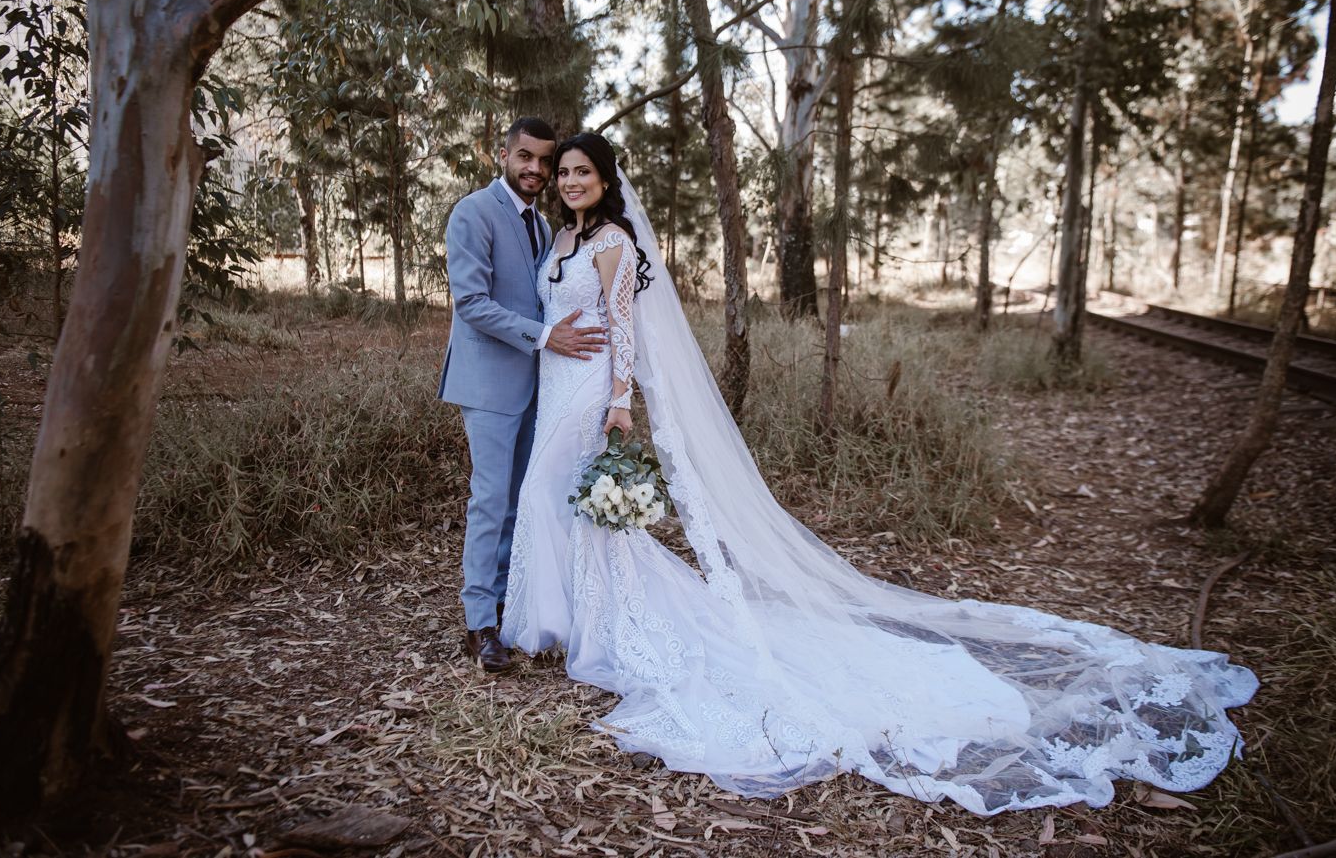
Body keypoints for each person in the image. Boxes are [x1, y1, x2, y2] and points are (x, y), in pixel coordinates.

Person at [501, 132, 1257, 815]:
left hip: (595, 392)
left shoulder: (613, 245)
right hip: (559, 383)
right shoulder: (564, 235)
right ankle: (578, 621)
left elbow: (625, 329)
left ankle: (586, 623)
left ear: (606, 180)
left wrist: (622, 402)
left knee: (553, 499)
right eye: (563, 172)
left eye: (582, 172)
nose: (569, 180)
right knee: (570, 508)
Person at [437, 117, 605, 673]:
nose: (535, 169)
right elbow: (472, 302)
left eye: (545, 161)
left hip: (543, 385)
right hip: (488, 383)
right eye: (525, 157)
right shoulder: (473, 213)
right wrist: (545, 336)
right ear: (502, 154)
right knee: (490, 500)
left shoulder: (542, 224)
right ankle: (479, 621)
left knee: (524, 495)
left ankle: (512, 602)